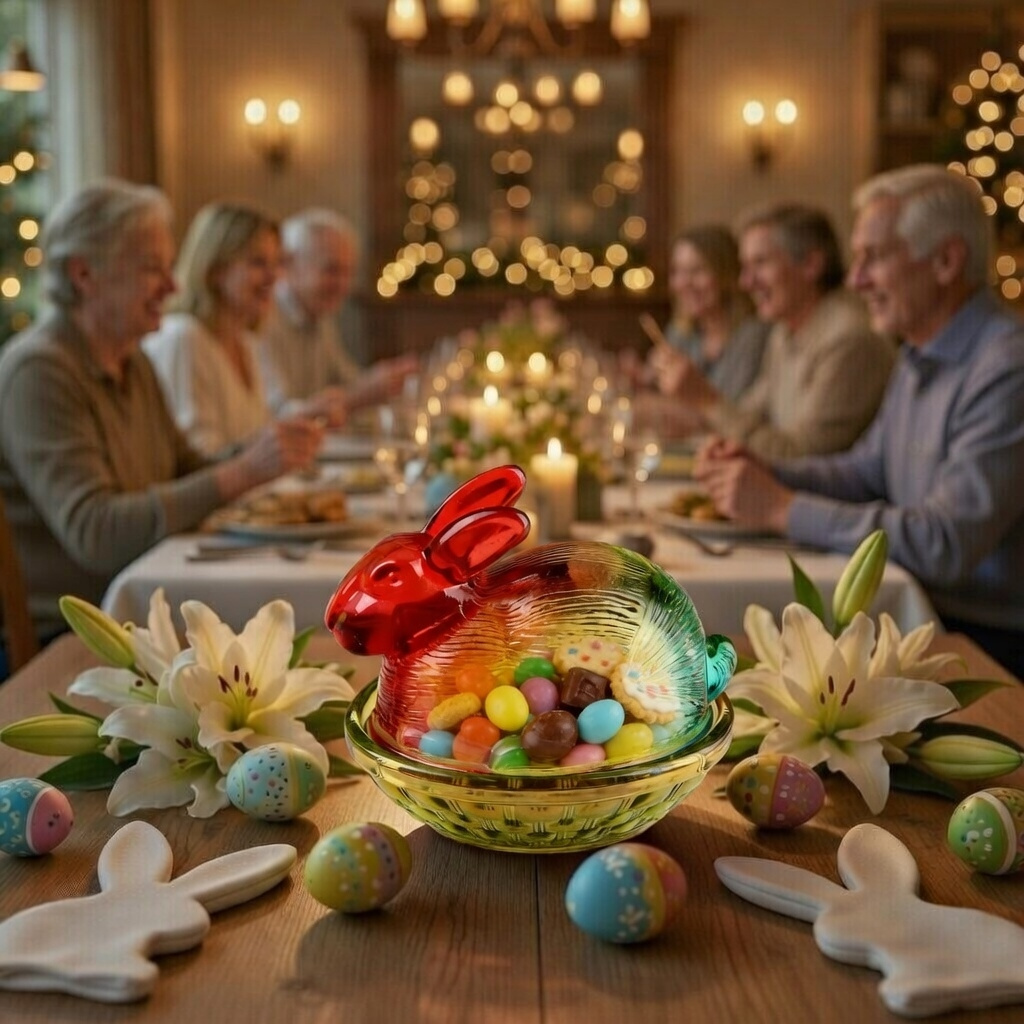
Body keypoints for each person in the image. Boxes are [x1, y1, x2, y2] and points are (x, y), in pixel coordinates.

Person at [695, 164, 1024, 676]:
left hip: (983, 644)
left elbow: (946, 544)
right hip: (917, 617)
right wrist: (765, 469)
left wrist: (783, 508)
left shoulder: (1007, 366)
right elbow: (863, 472)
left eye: (873, 257)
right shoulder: (917, 353)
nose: (855, 279)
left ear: (945, 261)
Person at [0, 180, 323, 642]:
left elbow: (184, 468)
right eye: (152, 269)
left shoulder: (134, 360)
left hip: (147, 608)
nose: (172, 287)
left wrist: (262, 453)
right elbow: (96, 533)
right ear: (83, 275)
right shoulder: (39, 372)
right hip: (78, 634)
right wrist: (242, 471)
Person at [653, 204, 895, 460]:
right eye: (745, 267)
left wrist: (706, 399)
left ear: (811, 264)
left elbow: (801, 459)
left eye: (760, 263)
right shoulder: (784, 332)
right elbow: (745, 416)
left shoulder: (848, 340)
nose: (746, 282)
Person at [254, 208, 416, 422]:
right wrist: (363, 395)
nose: (342, 285)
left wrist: (386, 379)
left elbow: (345, 381)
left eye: (348, 273)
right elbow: (276, 413)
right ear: (289, 265)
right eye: (331, 270)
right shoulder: (261, 317)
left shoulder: (319, 314)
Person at [632, 225, 769, 436]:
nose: (683, 283)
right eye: (677, 271)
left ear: (727, 276)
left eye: (697, 271)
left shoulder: (754, 336)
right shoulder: (682, 332)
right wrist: (642, 379)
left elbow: (727, 418)